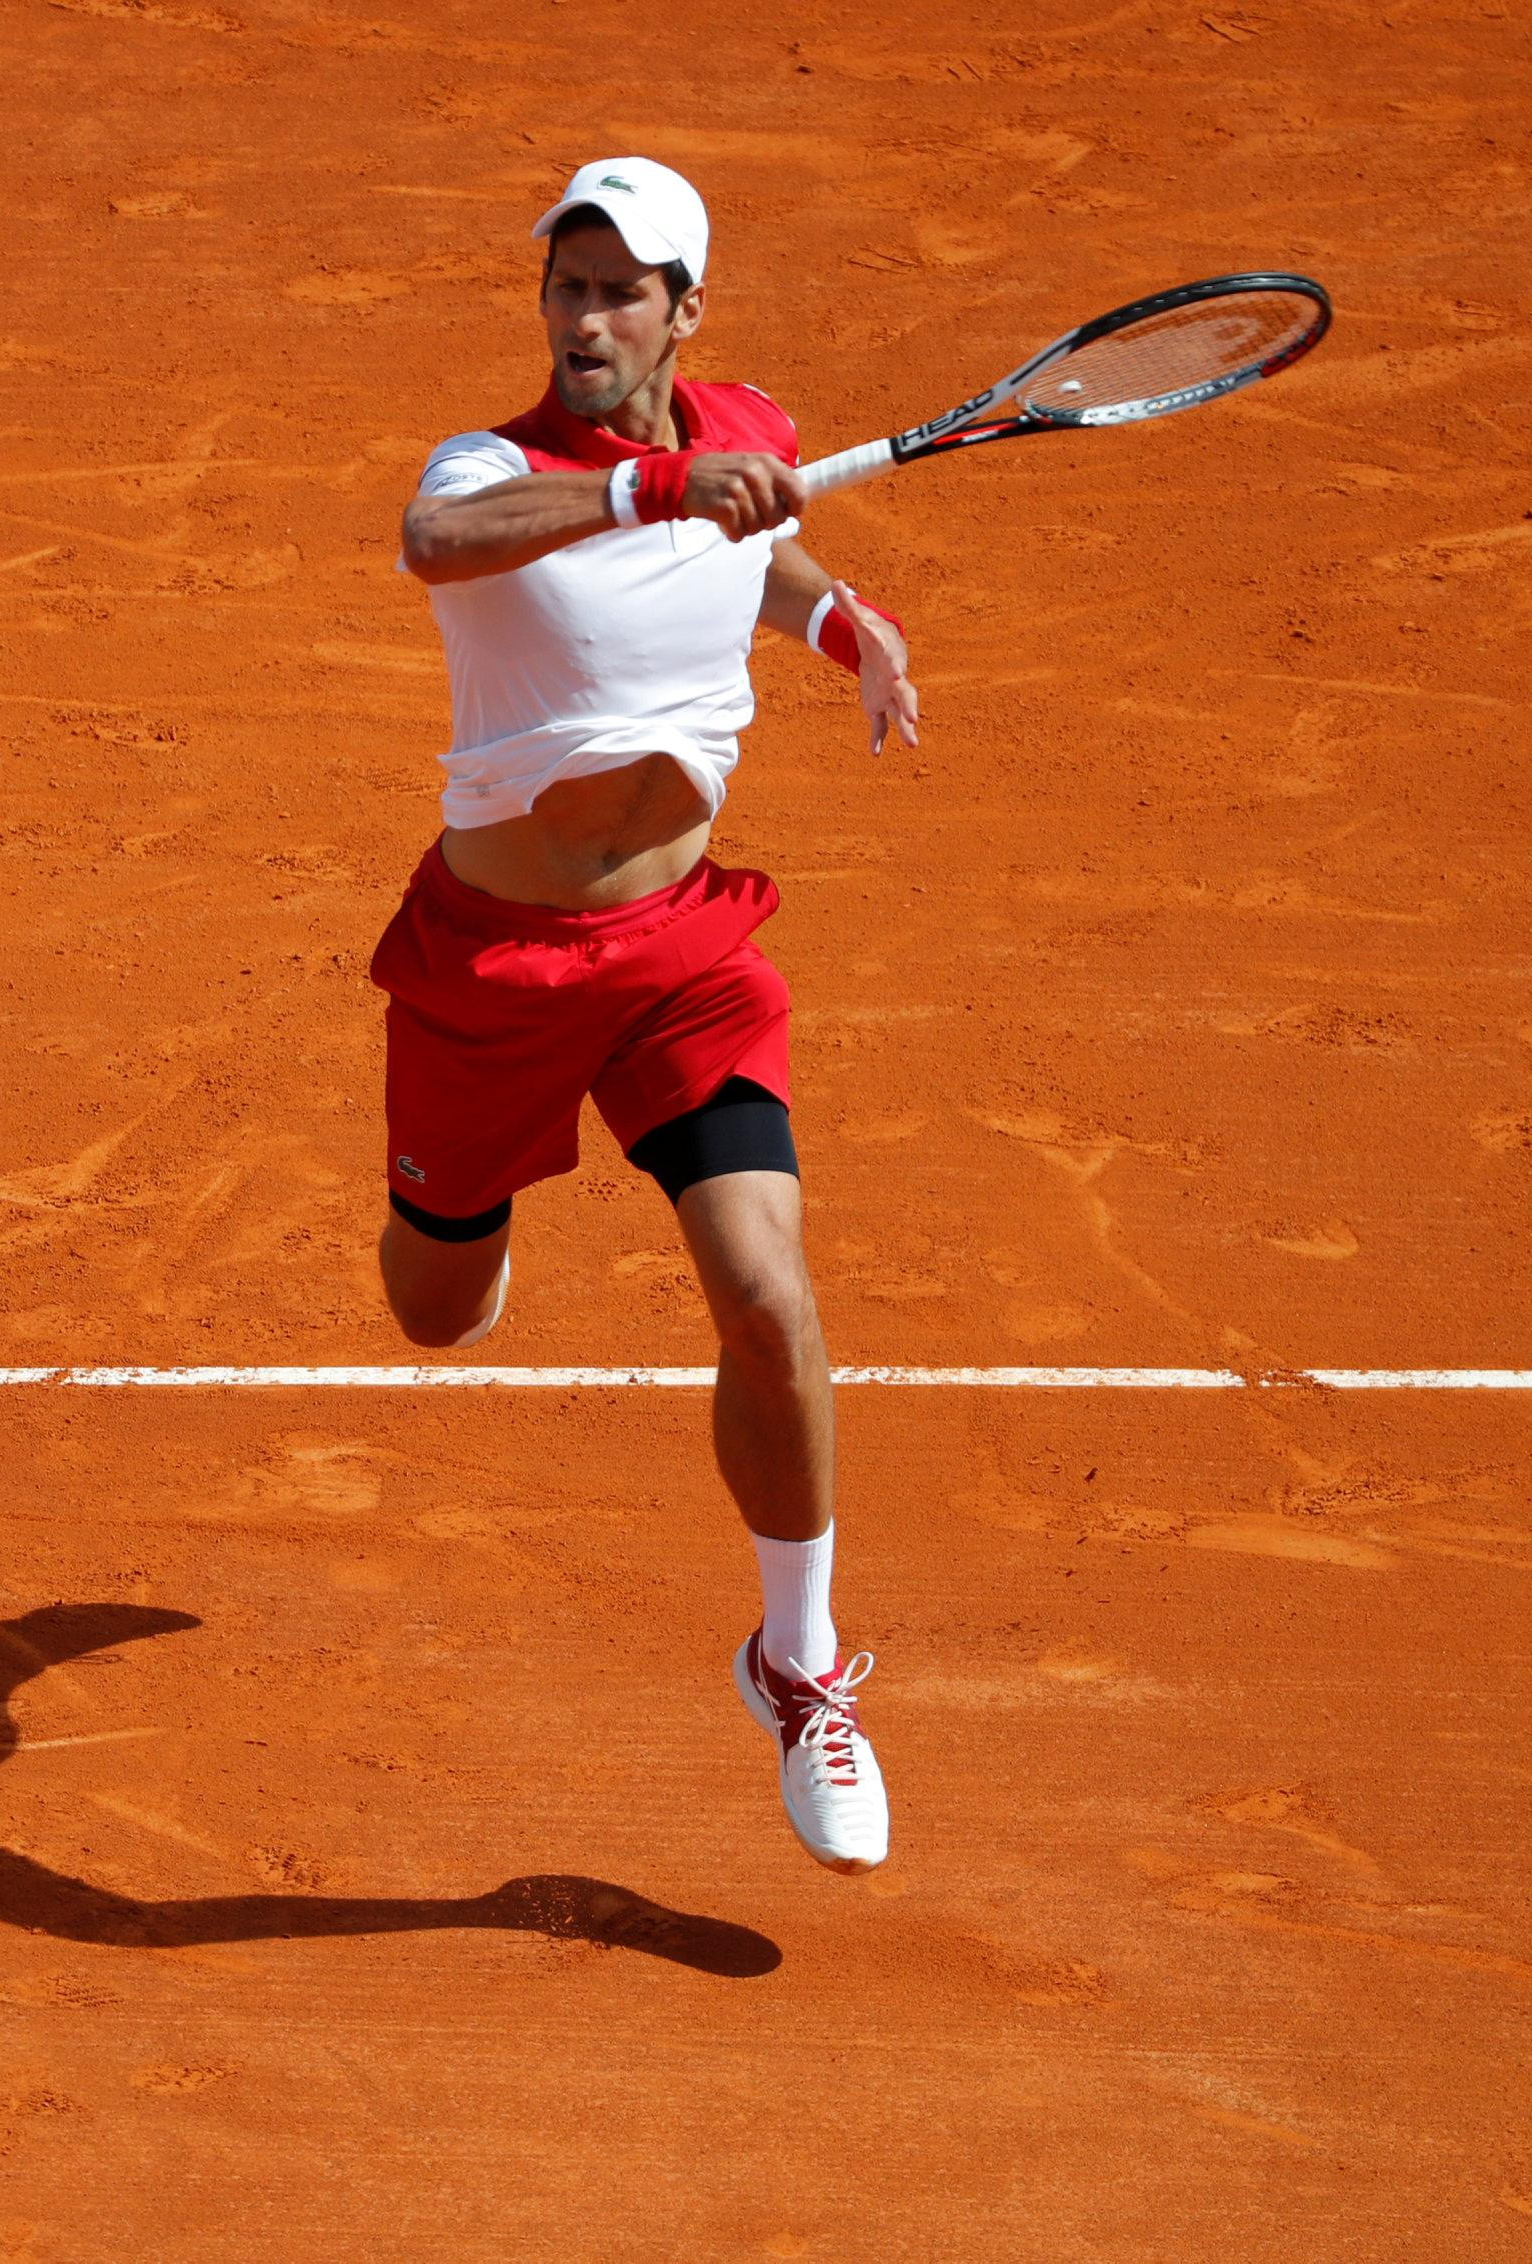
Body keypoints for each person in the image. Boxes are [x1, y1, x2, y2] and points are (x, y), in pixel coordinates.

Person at [378, 156, 915, 1873]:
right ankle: (474, 1222)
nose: (588, 317)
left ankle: (799, 1663)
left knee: (768, 1294)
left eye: (623, 291)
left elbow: (757, 552)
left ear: (687, 311)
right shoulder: (495, 471)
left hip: (682, 956)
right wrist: (649, 485)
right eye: (568, 287)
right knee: (433, 1313)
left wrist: (838, 618)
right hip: (494, 972)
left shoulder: (743, 435)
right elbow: (434, 546)